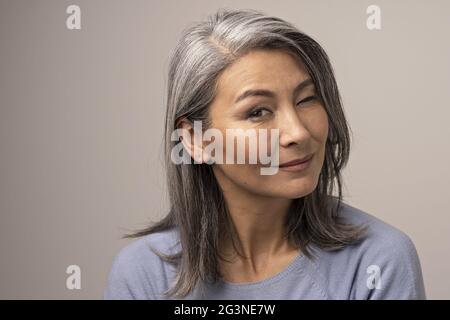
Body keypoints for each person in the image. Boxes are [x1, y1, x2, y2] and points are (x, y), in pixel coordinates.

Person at [104, 8, 426, 300]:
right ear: (194, 139)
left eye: (307, 99)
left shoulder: (378, 262)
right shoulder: (142, 274)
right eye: (258, 111)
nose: (298, 132)